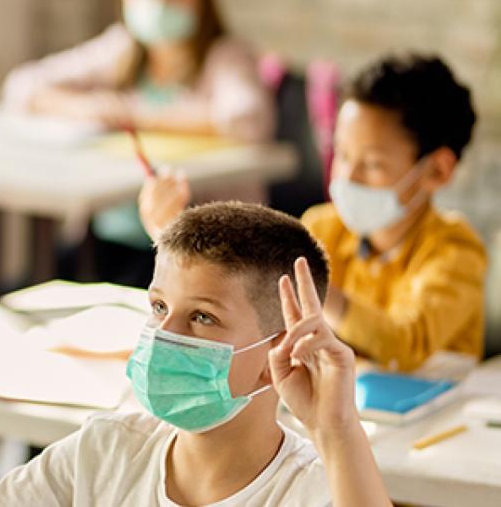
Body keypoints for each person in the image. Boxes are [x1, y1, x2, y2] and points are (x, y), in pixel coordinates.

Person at [0, 202, 390, 506]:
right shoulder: (106, 450)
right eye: (158, 307)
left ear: (276, 354)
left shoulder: (315, 489)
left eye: (203, 317)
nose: (164, 334)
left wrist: (337, 430)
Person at [140, 53, 487, 373]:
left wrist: (310, 288)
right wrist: (169, 237)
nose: (347, 176)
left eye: (372, 164)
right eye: (342, 154)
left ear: (437, 171)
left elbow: (405, 344)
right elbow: (249, 292)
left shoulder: (456, 252)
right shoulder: (323, 224)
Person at [2, 0, 274, 287]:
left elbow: (246, 118)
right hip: (104, 238)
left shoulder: (225, 56)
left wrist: (137, 114)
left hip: (192, 254)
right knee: (23, 287)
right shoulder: (122, 48)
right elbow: (22, 86)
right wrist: (85, 107)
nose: (155, 4)